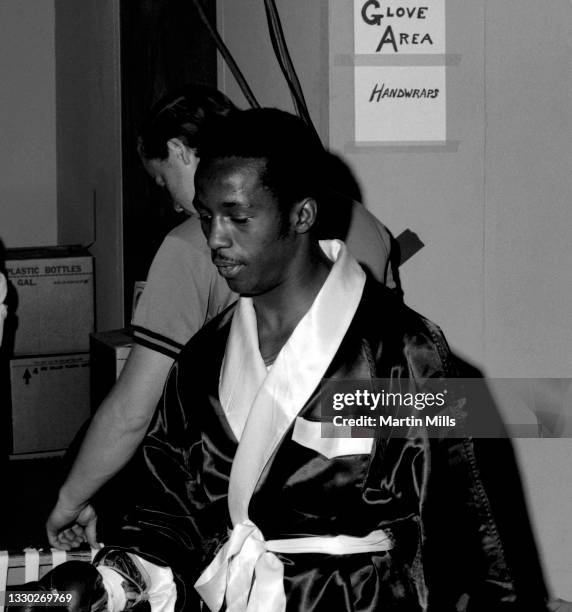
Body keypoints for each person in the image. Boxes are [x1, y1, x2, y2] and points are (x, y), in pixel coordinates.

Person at [25, 108, 548, 611]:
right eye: (206, 217)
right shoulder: (203, 359)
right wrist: (106, 583)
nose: (214, 239)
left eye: (238, 217)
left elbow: (478, 545)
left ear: (302, 215)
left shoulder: (404, 356)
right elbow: (171, 512)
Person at [46, 85, 397, 551]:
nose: (214, 236)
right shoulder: (368, 225)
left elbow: (134, 411)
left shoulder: (189, 246)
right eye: (208, 216)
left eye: (161, 181)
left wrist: (71, 497)